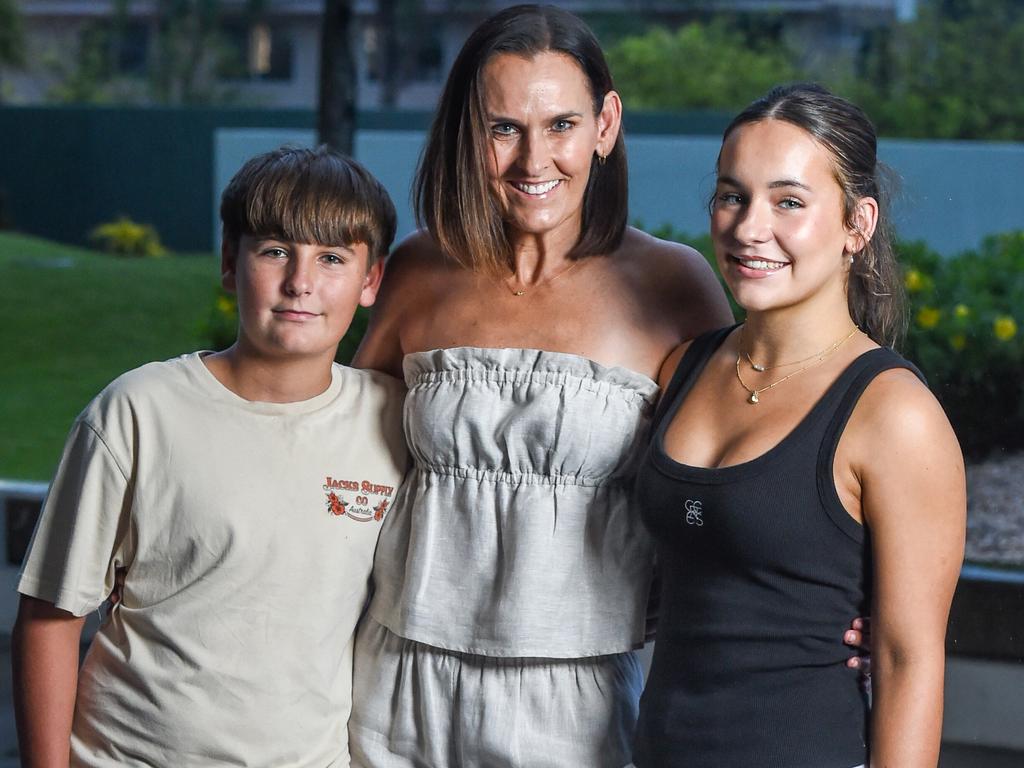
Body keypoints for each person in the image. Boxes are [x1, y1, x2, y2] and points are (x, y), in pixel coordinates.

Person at [12, 146, 408, 767]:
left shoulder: (393, 420)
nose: (300, 281)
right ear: (230, 262)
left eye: (332, 258)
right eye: (275, 250)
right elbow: (48, 617)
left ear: (371, 282)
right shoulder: (138, 412)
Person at [631, 83, 966, 768]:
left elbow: (908, 661)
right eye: (733, 196)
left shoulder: (893, 414)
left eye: (789, 201)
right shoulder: (682, 369)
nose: (751, 227)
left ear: (857, 223)